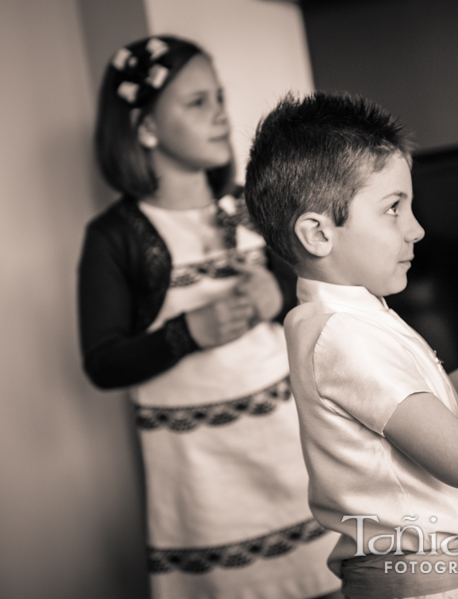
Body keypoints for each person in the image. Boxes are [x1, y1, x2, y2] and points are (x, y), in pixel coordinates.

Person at [243, 91, 458, 599]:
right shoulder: (341, 335)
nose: (417, 228)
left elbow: (436, 415)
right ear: (318, 234)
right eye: (393, 209)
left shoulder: (352, 317)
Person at [77, 36, 341, 599]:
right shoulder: (116, 237)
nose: (221, 111)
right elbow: (102, 363)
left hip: (296, 448)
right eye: (197, 102)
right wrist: (187, 332)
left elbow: (327, 295)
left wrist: (279, 297)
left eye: (219, 96)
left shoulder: (256, 204)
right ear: (145, 128)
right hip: (207, 481)